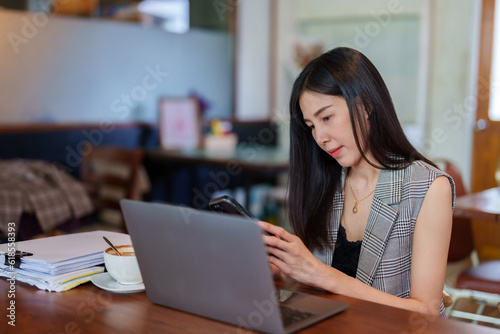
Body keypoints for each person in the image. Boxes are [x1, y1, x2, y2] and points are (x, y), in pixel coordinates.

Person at [258, 47, 455, 317]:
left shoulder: (428, 186)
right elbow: (316, 281)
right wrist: (288, 270)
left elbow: (426, 312)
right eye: (311, 126)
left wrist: (326, 276)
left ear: (365, 105)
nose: (320, 137)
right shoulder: (325, 180)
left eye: (326, 117)